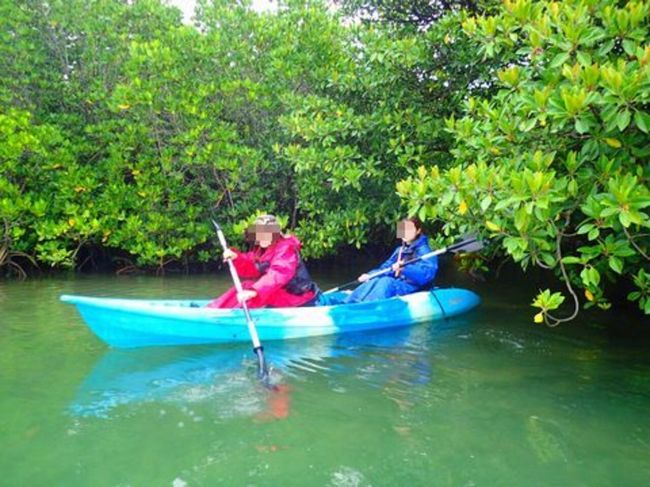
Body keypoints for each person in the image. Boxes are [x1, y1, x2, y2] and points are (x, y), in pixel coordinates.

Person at [207, 215, 319, 308]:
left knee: (251, 289)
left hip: (297, 298)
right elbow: (251, 267)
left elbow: (278, 274)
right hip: (280, 293)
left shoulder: (286, 248)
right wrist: (236, 257)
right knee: (246, 285)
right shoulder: (262, 249)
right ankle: (213, 309)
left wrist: (255, 291)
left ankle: (221, 313)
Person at [344, 217, 437, 303]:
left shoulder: (425, 250)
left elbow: (427, 275)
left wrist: (404, 269)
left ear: (418, 230)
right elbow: (386, 268)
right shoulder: (400, 250)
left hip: (415, 287)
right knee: (376, 279)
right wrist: (370, 275)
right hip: (401, 284)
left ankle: (368, 306)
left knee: (386, 282)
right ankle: (347, 303)